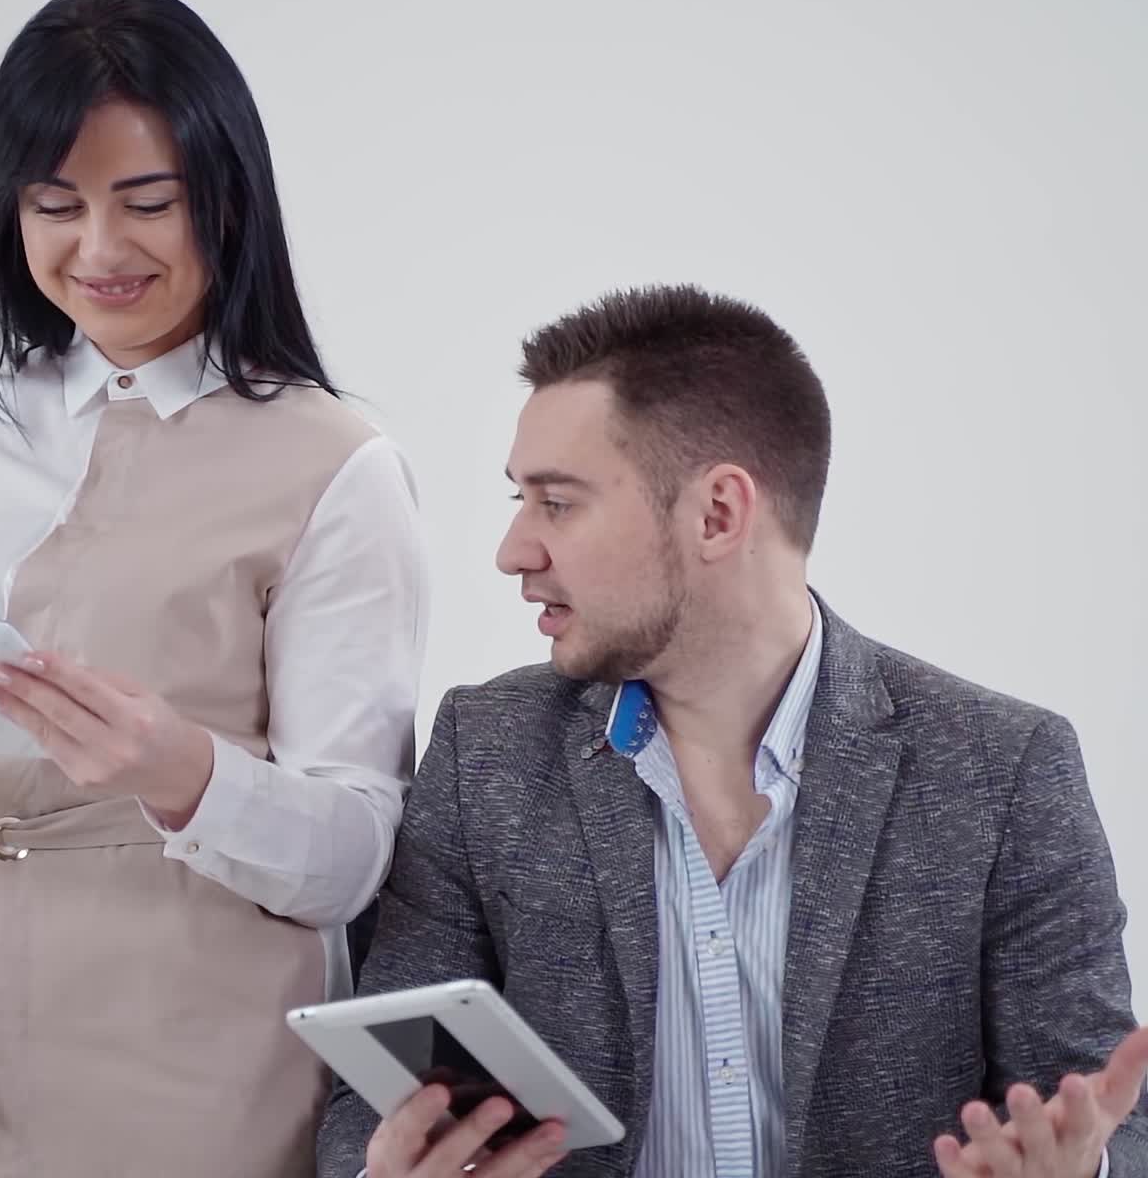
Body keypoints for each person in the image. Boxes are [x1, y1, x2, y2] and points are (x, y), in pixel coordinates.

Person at [316, 285, 1148, 1177]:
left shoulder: (1003, 770)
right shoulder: (485, 751)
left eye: (556, 503)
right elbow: (368, 1097)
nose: (514, 550)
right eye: (520, 500)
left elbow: (1103, 1115)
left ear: (717, 514)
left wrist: (1080, 1169)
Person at [0, 0, 426, 1178]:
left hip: (186, 1069)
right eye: (53, 205)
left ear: (224, 196)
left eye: (147, 202)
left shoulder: (335, 464)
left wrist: (184, 772)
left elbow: (352, 852)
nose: (99, 250)